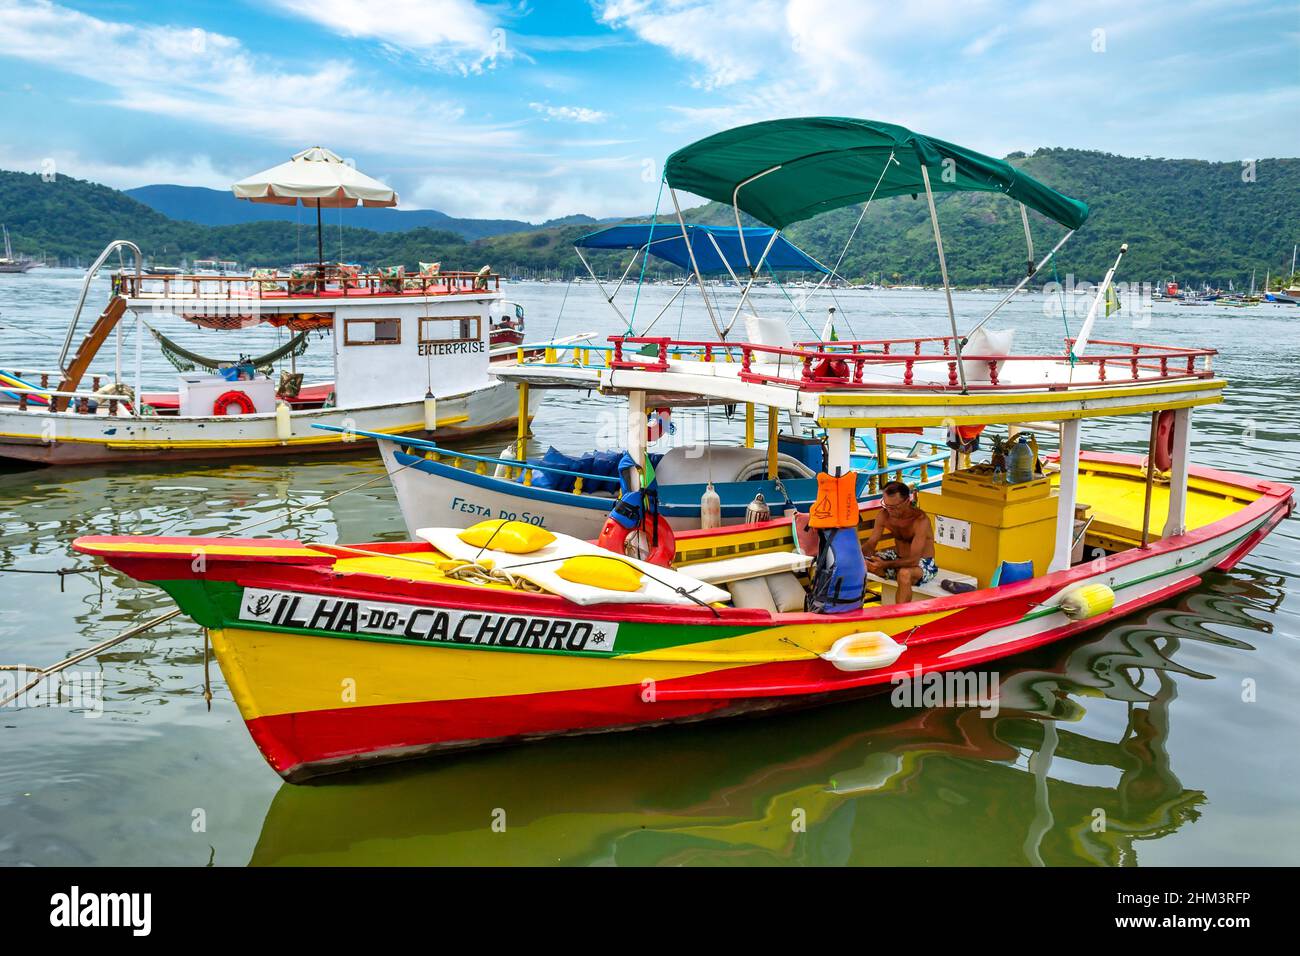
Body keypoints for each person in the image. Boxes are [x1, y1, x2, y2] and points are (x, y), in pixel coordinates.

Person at [862, 480, 936, 603]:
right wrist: (859, 557)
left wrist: (884, 565)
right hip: (897, 558)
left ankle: (900, 616)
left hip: (921, 564)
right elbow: (871, 543)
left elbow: (914, 560)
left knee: (904, 574)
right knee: (860, 565)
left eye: (894, 507)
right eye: (886, 505)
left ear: (907, 501)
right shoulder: (884, 515)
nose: (890, 510)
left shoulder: (920, 521)